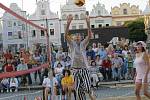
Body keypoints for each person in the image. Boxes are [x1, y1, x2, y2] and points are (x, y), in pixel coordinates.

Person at [65, 14, 95, 100]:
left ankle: (90, 90)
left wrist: (88, 23)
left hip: (84, 68)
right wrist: (68, 23)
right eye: (76, 35)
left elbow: (89, 35)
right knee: (78, 91)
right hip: (75, 69)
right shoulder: (72, 44)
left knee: (88, 88)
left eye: (79, 36)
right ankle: (88, 92)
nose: (77, 36)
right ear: (73, 38)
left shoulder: (83, 44)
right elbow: (66, 35)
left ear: (81, 38)